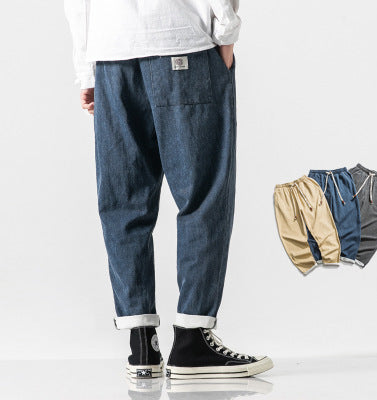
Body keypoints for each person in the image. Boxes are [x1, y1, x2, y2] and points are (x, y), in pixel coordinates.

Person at [64, 0, 273, 379]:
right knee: (203, 195)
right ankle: (192, 341)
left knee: (123, 202)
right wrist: (226, 34)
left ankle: (142, 345)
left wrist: (86, 67)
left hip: (111, 53)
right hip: (182, 41)